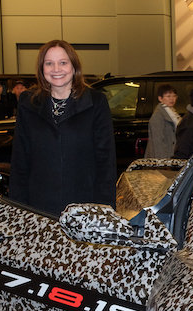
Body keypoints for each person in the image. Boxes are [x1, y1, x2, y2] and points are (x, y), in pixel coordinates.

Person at [9, 40, 116, 216]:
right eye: (49, 63)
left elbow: (106, 161)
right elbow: (20, 159)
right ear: (42, 69)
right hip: (38, 209)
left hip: (84, 209)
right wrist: (18, 208)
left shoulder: (96, 102)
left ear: (74, 67)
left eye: (63, 63)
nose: (56, 69)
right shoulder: (28, 103)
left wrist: (105, 209)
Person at [145, 83, 180, 158]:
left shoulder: (172, 112)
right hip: (163, 157)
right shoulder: (158, 115)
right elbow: (157, 142)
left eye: (174, 96)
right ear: (160, 98)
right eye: (168, 96)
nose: (172, 99)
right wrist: (163, 162)